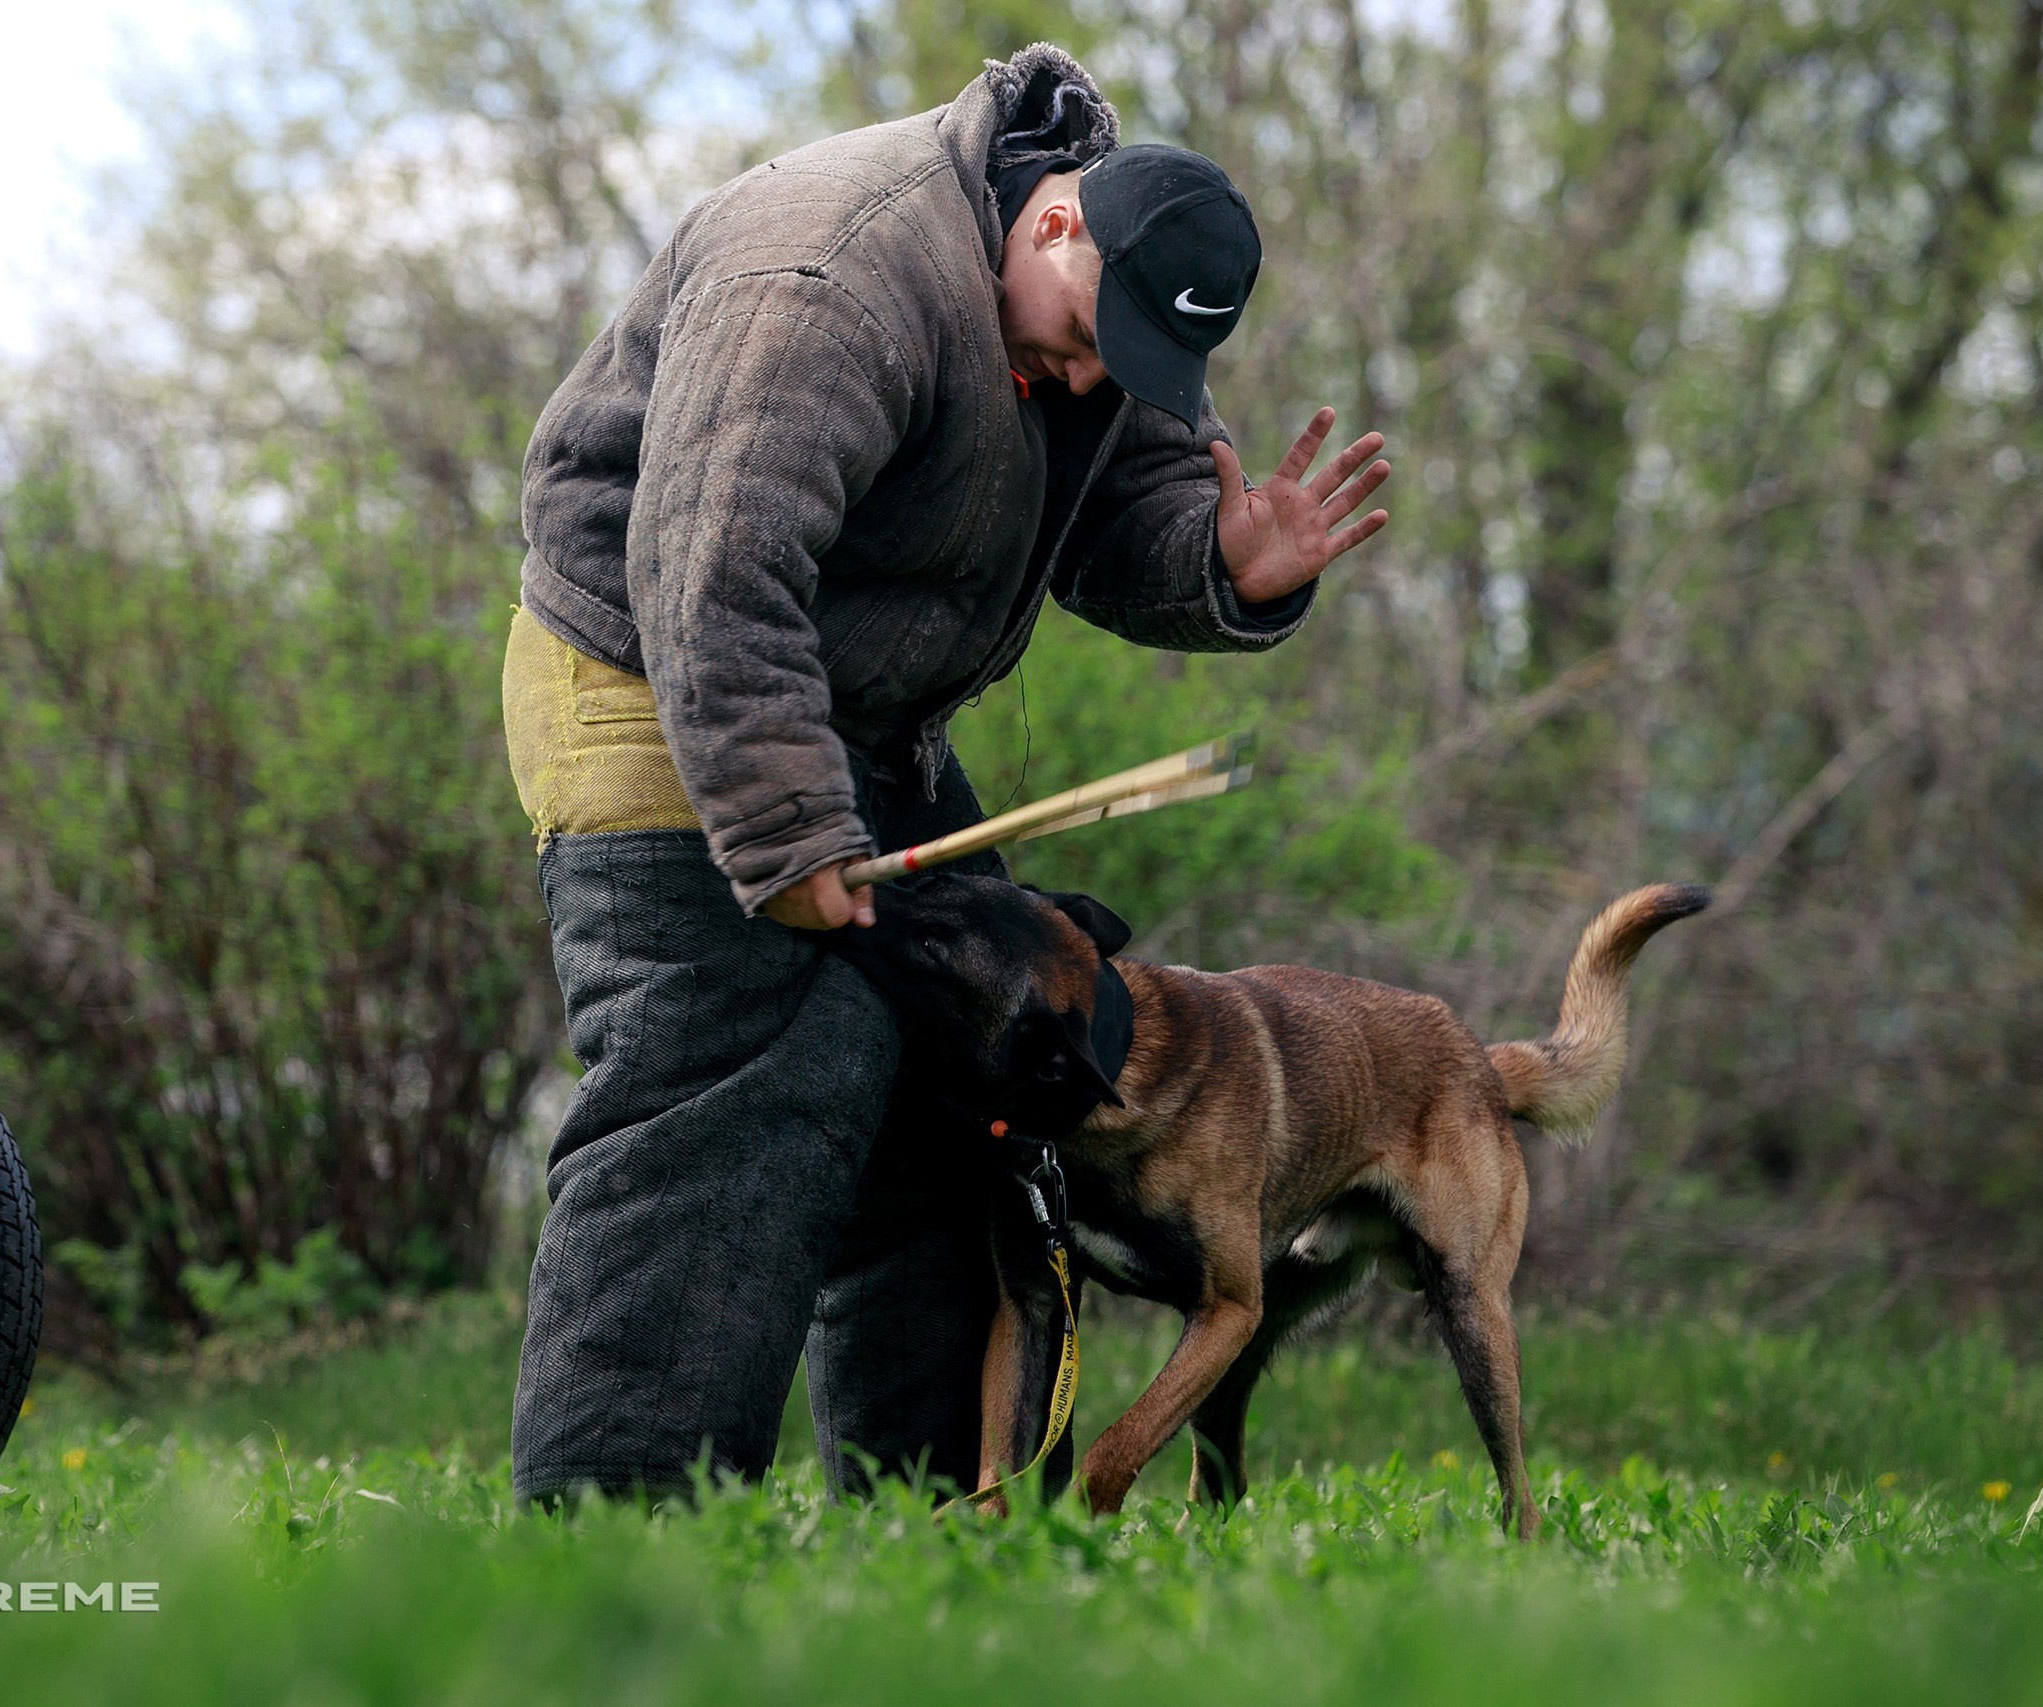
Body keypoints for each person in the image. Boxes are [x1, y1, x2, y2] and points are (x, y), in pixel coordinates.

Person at [501, 42, 1390, 1507]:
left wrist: (1224, 566)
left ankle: (922, 1534)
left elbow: (1136, 501)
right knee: (724, 1108)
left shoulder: (1101, 296)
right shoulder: (829, 279)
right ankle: (610, 1547)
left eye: (1131, 369)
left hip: (856, 706)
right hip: (654, 682)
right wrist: (790, 830)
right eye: (1086, 341)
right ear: (1054, 222)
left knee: (965, 1084)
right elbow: (710, 573)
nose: (1093, 380)